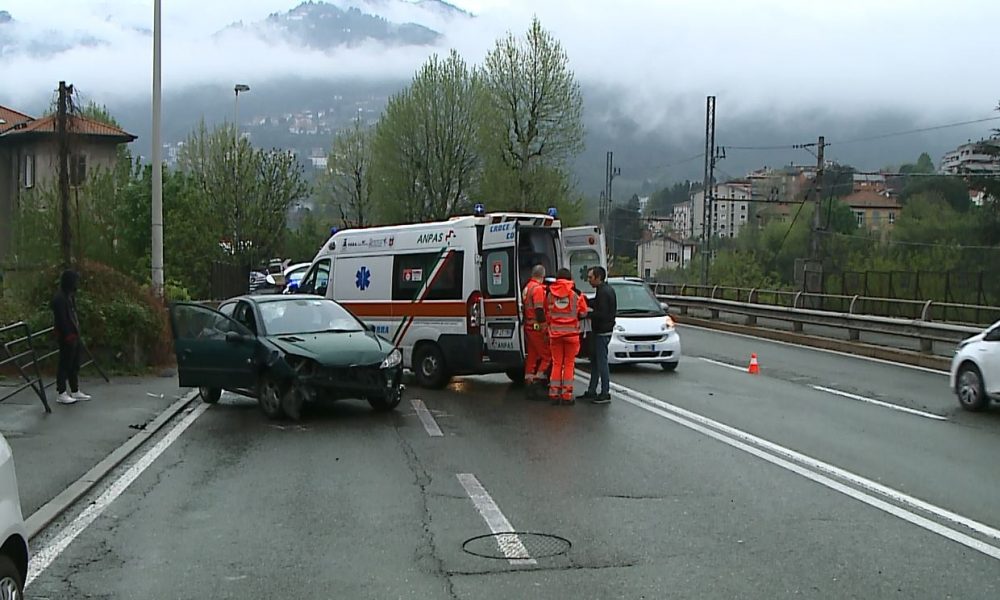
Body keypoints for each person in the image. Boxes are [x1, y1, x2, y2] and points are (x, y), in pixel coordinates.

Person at [545, 268, 588, 405]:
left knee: (557, 363)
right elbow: (583, 313)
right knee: (569, 364)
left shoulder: (550, 294)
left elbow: (547, 312)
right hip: (571, 335)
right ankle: (566, 394)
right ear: (570, 279)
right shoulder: (575, 295)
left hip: (555, 334)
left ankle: (553, 393)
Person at [51, 270, 90, 405]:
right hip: (67, 336)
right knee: (64, 364)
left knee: (74, 364)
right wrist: (68, 334)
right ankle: (61, 392)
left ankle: (75, 389)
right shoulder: (59, 299)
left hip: (74, 334)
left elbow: (73, 315)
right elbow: (61, 319)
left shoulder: (69, 296)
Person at [579, 266, 616, 404]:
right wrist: (584, 300)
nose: (588, 280)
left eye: (590, 277)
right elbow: (597, 304)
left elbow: (602, 313)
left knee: (601, 362)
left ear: (598, 277)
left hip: (602, 331)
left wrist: (587, 314)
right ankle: (592, 390)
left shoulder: (604, 292)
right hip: (600, 331)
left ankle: (605, 392)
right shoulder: (603, 290)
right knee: (595, 362)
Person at [521, 264, 551, 398]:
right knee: (547, 356)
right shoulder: (538, 289)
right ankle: (538, 381)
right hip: (537, 327)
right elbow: (539, 309)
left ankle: (529, 380)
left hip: (529, 325)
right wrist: (544, 326)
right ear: (543, 276)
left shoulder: (527, 287)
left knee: (532, 356)